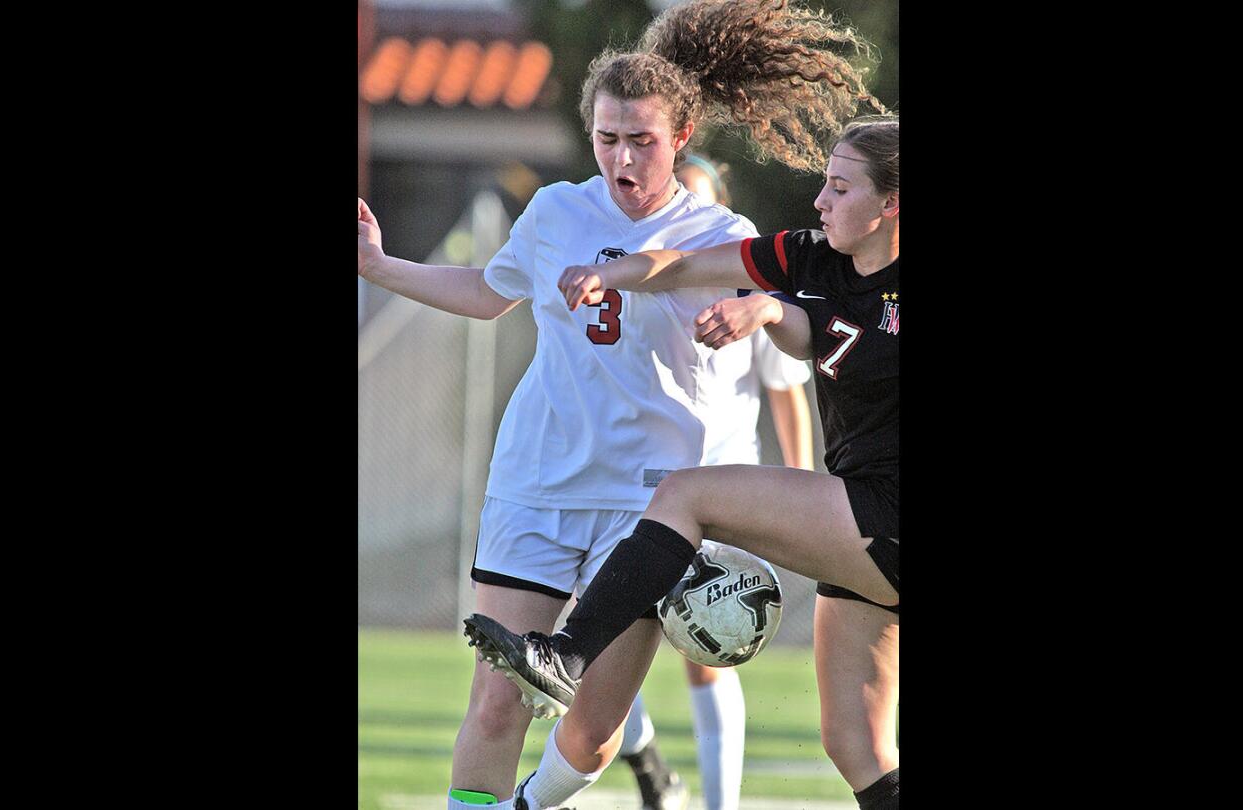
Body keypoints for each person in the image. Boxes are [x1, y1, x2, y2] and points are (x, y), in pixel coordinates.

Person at [359, 2, 872, 807]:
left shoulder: (719, 231)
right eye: (607, 139)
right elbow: (492, 293)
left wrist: (757, 313)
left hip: (649, 513)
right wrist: (382, 267)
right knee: (497, 701)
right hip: (539, 485)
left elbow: (797, 329)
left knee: (593, 731)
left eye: (642, 140)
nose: (622, 158)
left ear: (683, 135)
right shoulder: (557, 211)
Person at [465, 115, 900, 810]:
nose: (820, 200)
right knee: (857, 747)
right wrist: (611, 273)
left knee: (685, 494)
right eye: (823, 181)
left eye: (839, 187)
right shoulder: (816, 256)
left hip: (888, 513)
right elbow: (684, 265)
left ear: (891, 204)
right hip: (863, 518)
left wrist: (768, 314)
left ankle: (567, 656)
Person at [615, 154, 815, 810]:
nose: (687, 227)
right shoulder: (641, 289)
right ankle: (647, 762)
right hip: (634, 487)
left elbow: (785, 393)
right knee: (591, 637)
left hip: (722, 491)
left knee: (707, 647)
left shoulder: (745, 294)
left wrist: (804, 490)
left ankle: (717, 804)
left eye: (699, 208)